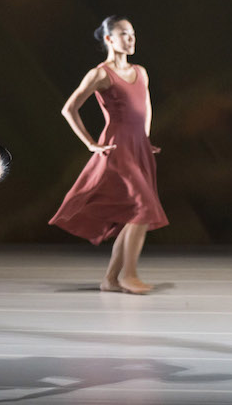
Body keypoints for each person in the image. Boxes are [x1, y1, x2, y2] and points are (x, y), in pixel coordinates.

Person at [49, 15, 169, 294]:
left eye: (133, 33)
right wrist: (91, 143)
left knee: (135, 214)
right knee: (143, 209)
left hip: (138, 148)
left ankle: (111, 279)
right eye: (124, 33)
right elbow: (69, 109)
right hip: (117, 148)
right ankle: (129, 275)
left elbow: (146, 106)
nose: (131, 38)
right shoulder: (101, 74)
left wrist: (145, 138)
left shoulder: (140, 72)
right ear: (109, 39)